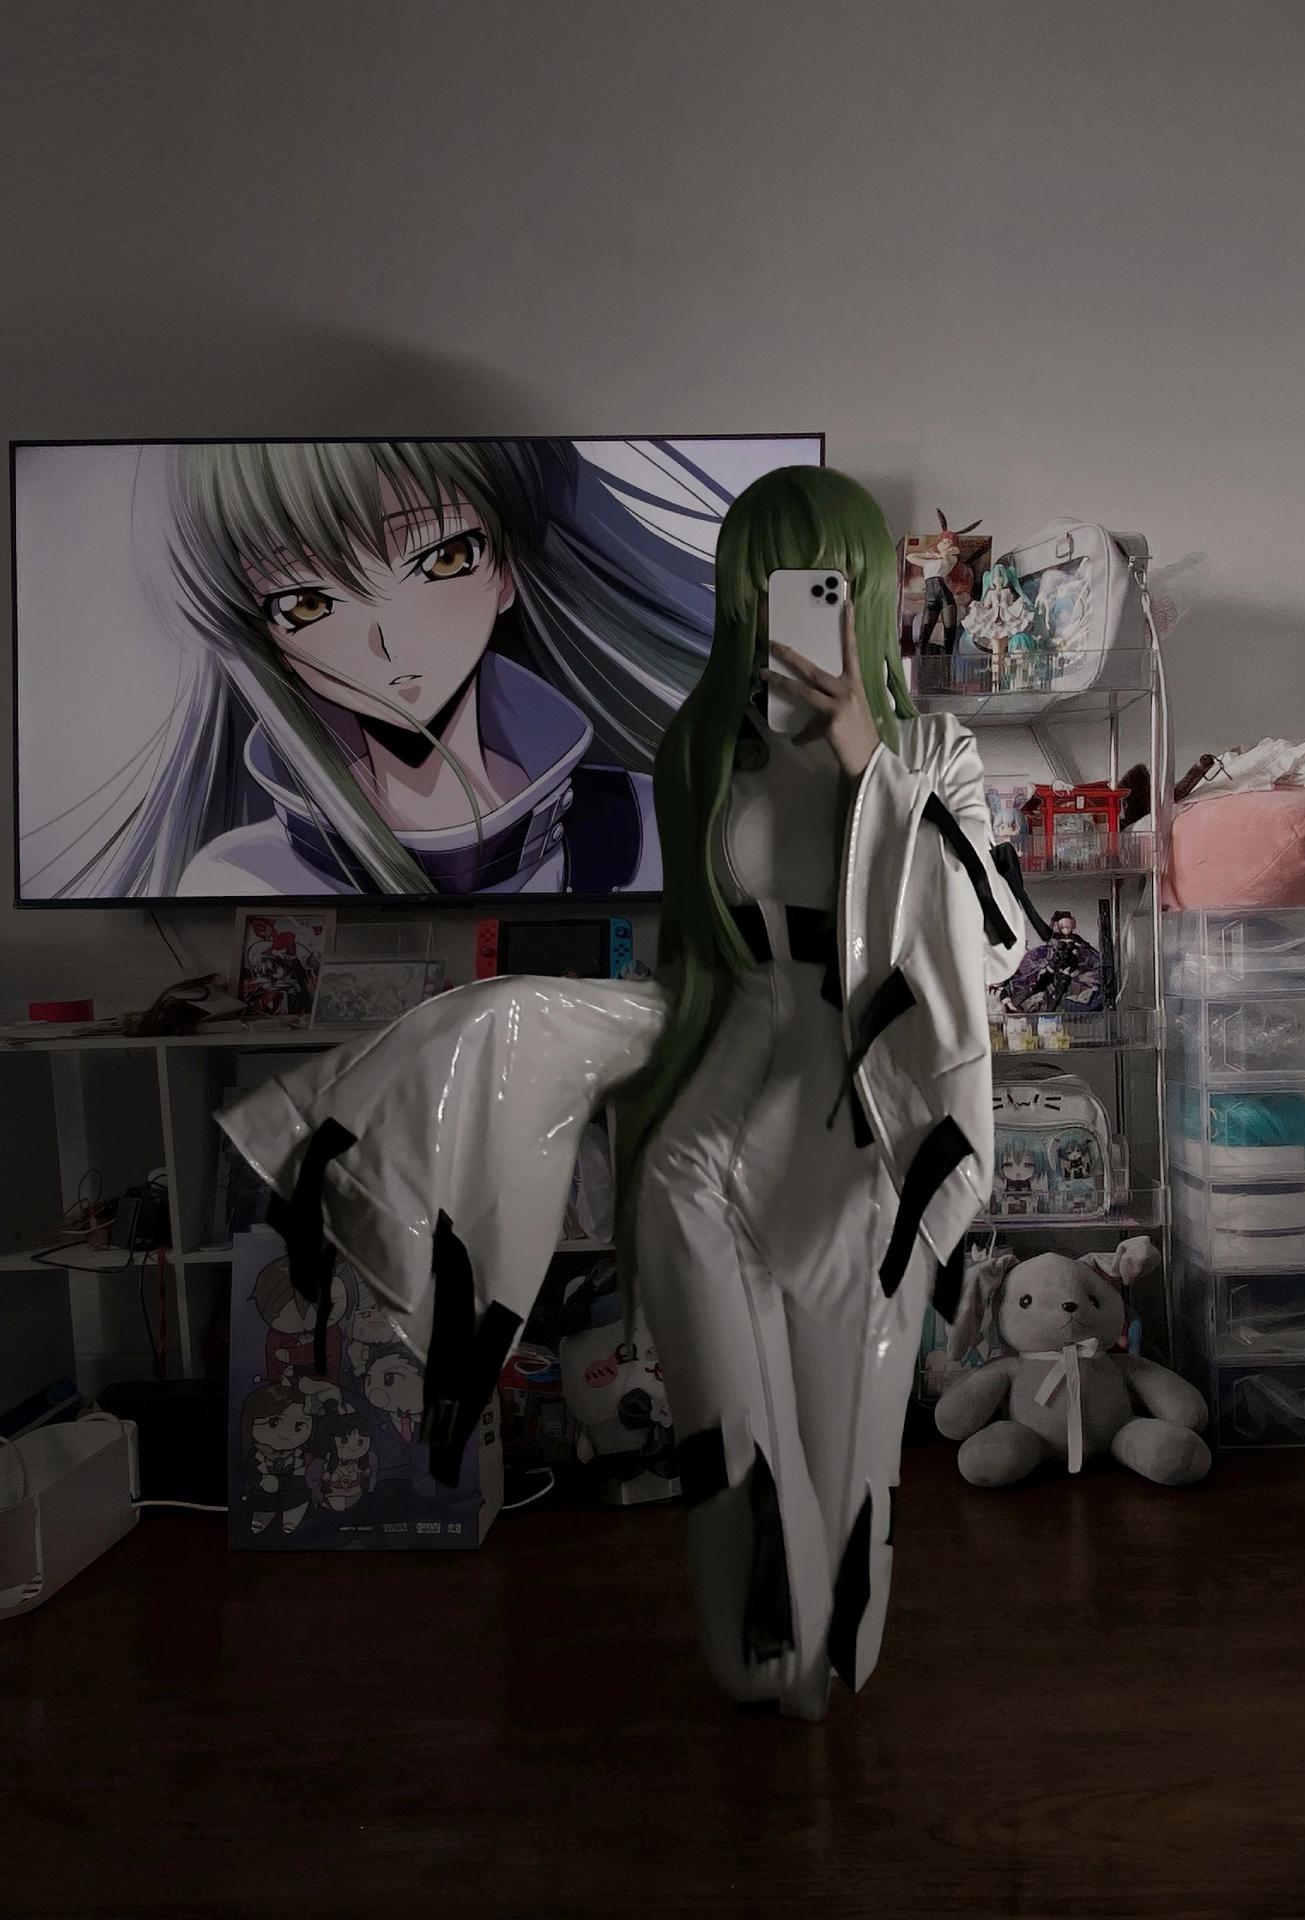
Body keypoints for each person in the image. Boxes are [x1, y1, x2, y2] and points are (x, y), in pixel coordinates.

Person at [220, 466, 1025, 1719]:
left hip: (864, 1126)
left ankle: (824, 1651)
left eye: (814, 578)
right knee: (727, 1428)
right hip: (716, 1106)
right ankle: (756, 1639)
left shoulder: (933, 751)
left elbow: (999, 942)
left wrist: (868, 763)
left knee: (849, 1434)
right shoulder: (701, 746)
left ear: (860, 589)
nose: (784, 602)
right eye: (759, 578)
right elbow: (693, 958)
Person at [35, 439, 723, 898]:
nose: (389, 644)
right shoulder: (246, 875)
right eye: (308, 603)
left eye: (442, 559)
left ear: (506, 571)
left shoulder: (649, 826)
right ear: (264, 639)